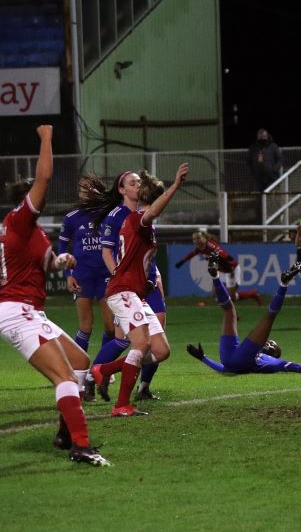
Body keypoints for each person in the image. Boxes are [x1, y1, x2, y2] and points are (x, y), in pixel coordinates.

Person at [0, 125, 109, 466]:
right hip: (18, 311)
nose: (41, 198)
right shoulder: (20, 219)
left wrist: (63, 261)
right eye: (36, 196)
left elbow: (48, 263)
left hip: (30, 310)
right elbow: (43, 179)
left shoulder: (31, 231)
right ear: (27, 200)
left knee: (80, 364)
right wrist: (46, 139)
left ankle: (64, 434)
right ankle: (82, 446)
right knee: (66, 378)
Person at [90, 163, 189, 417]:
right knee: (138, 344)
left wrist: (148, 281)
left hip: (136, 293)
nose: (136, 185)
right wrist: (175, 186)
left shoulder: (143, 223)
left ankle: (105, 370)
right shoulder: (138, 219)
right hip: (122, 291)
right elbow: (152, 212)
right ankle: (122, 405)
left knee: (160, 351)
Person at [185, 255, 301, 376]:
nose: (268, 341)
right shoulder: (261, 359)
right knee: (229, 310)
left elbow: (299, 367)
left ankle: (283, 283)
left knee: (270, 316)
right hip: (230, 358)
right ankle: (215, 276)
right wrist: (203, 358)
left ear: (273, 351)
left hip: (233, 359)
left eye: (271, 343)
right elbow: (225, 370)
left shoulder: (270, 361)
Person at [57, 174, 116, 399]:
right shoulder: (72, 217)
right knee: (86, 327)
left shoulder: (108, 213)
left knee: (111, 327)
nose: (82, 192)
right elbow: (62, 243)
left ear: (96, 190)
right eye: (81, 188)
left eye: (87, 188)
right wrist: (68, 273)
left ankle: (102, 368)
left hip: (105, 276)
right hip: (82, 276)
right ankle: (78, 380)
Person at [175, 230, 264, 306]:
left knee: (232, 297)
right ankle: (245, 302)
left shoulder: (210, 245)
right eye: (194, 239)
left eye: (198, 238)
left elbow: (220, 252)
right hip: (221, 271)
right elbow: (191, 254)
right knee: (215, 295)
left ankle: (252, 294)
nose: (196, 241)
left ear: (204, 238)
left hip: (231, 269)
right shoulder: (200, 248)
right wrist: (181, 262)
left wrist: (227, 257)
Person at [248, 128, 283, 192]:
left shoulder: (273, 146)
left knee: (270, 195)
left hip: (271, 177)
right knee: (260, 197)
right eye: (260, 137)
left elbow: (279, 159)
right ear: (257, 137)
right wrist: (253, 172)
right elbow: (249, 161)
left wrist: (274, 170)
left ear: (267, 136)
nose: (262, 138)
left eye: (263, 136)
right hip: (258, 178)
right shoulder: (253, 148)